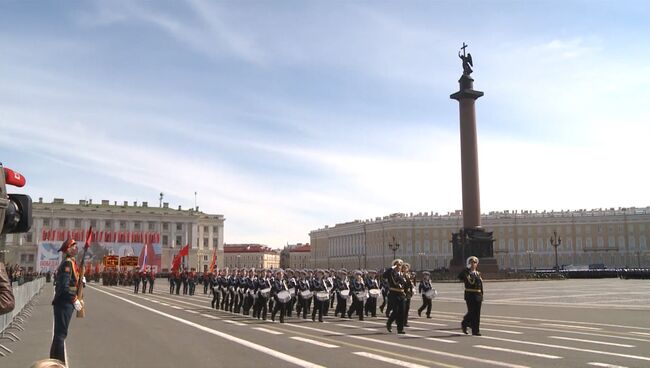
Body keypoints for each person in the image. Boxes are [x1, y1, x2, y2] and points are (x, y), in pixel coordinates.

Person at [50, 239, 83, 364]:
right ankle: (58, 362)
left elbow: (71, 283)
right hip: (64, 303)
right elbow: (64, 287)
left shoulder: (71, 263)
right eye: (74, 246)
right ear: (69, 249)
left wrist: (81, 282)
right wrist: (74, 299)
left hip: (65, 303)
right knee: (60, 335)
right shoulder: (68, 264)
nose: (76, 248)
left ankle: (55, 361)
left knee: (60, 334)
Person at [459, 256, 483, 336]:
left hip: (478, 295)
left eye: (475, 263)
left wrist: (482, 295)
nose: (473, 264)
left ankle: (476, 331)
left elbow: (480, 285)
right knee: (472, 312)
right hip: (470, 295)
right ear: (469, 264)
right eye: (471, 262)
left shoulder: (478, 273)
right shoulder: (466, 273)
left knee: (477, 314)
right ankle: (465, 323)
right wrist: (466, 269)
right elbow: (460, 277)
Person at [384, 259, 406, 334]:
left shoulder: (402, 274)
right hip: (393, 294)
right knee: (395, 311)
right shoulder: (391, 273)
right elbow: (384, 275)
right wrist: (392, 268)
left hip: (401, 294)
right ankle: (389, 323)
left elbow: (406, 284)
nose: (399, 266)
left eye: (400, 265)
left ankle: (400, 329)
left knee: (402, 312)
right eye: (397, 265)